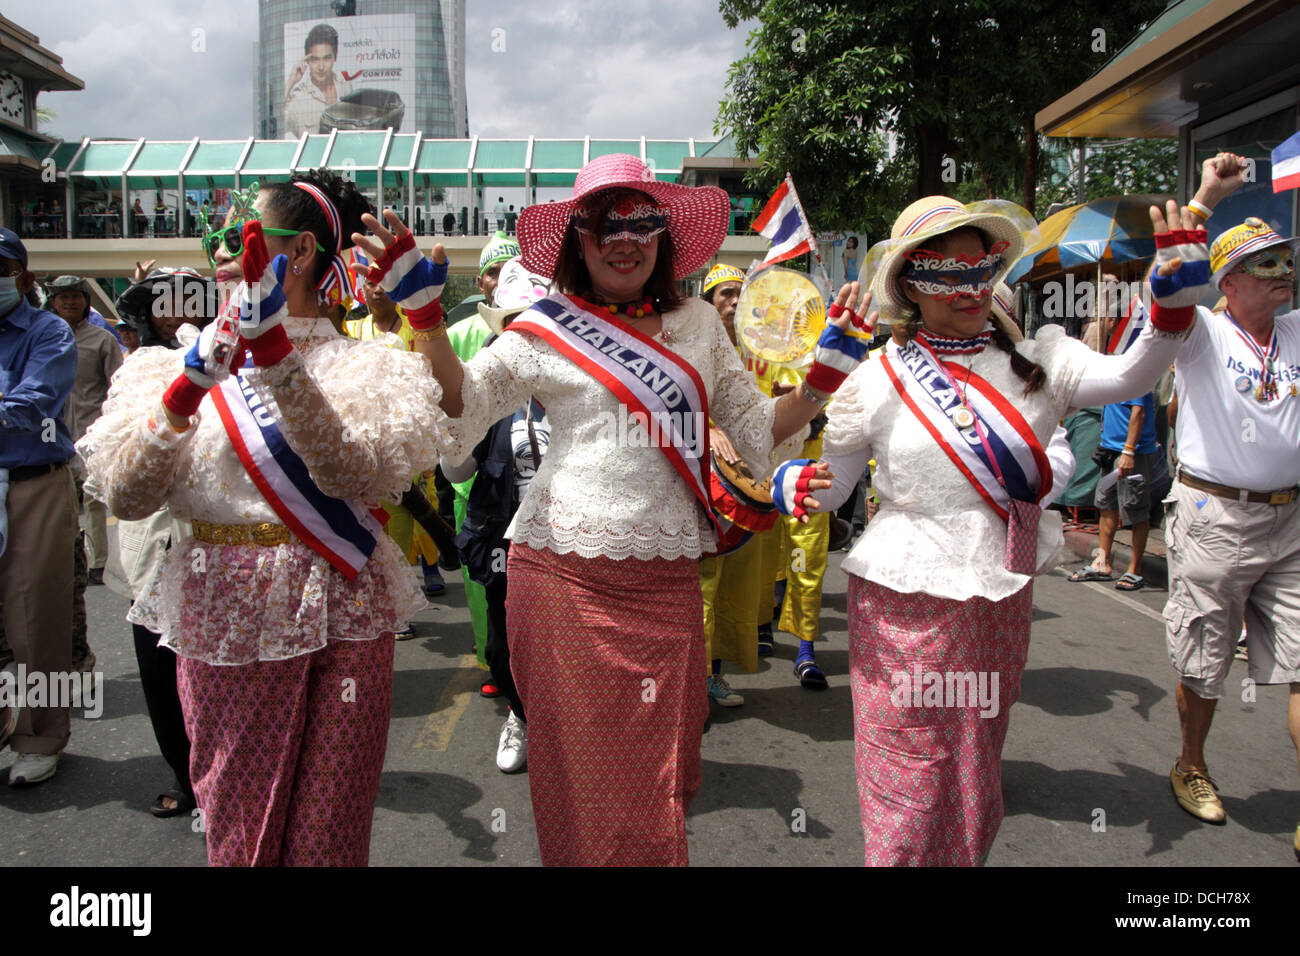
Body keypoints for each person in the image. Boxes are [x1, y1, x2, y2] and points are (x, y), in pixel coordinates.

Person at [356, 153, 861, 865]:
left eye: (642, 223)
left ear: (663, 236)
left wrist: (819, 382)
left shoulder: (696, 326)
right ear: (577, 238)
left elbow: (755, 427)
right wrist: (428, 320)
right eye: (603, 224)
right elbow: (464, 410)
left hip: (666, 583)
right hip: (561, 578)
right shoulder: (544, 327)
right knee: (581, 779)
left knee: (665, 778)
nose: (624, 239)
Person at [770, 192, 1202, 865]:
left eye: (982, 269)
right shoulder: (879, 376)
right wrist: (794, 484)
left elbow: (1129, 375)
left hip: (998, 598)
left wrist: (1170, 306)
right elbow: (837, 490)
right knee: (906, 776)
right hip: (899, 600)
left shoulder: (1039, 362)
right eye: (948, 272)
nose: (970, 288)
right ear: (912, 284)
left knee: (973, 766)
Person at [79, 170, 445, 865]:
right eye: (215, 236)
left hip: (345, 600)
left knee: (329, 833)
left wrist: (274, 351)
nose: (220, 252)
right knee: (242, 825)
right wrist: (189, 385)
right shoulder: (168, 363)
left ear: (299, 250)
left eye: (240, 233)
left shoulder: (363, 364)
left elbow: (350, 473)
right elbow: (125, 497)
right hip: (225, 607)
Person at [1154, 158, 1300, 857]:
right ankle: (1191, 763)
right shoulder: (1200, 335)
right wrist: (1208, 196)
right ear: (1228, 282)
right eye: (1263, 264)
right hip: (1214, 521)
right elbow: (1172, 279)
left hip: (1292, 523)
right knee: (1205, 663)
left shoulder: (1297, 334)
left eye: (1286, 260)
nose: (1281, 271)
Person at [98, 269, 219, 818]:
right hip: (151, 540)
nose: (177, 314)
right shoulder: (137, 370)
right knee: (157, 664)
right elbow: (118, 467)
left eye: (190, 301)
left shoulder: (241, 362)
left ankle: (222, 777)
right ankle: (182, 770)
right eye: (164, 304)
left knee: (217, 671)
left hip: (219, 544)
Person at [441, 256, 553, 772]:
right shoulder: (486, 390)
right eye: (514, 323)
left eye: (535, 321)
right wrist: (451, 432)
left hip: (570, 544)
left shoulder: (580, 389)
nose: (525, 335)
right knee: (505, 644)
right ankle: (520, 715)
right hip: (506, 544)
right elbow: (460, 473)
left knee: (569, 645)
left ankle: (565, 729)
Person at [0, 229, 80, 786]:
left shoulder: (49, 331)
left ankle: (40, 735)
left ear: (22, 278)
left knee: (35, 618)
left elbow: (30, 405)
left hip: (32, 482)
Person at [443, 230, 521, 692]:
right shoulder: (456, 336)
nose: (498, 278)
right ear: (481, 279)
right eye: (492, 270)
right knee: (486, 578)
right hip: (476, 480)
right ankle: (492, 661)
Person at [45, 275, 122, 691]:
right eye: (63, 297)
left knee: (93, 503)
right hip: (51, 440)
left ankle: (95, 564)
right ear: (53, 301)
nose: (69, 303)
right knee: (60, 509)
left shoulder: (101, 340)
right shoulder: (42, 338)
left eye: (75, 297)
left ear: (84, 301)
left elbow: (117, 386)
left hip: (91, 435)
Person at [283, 24, 352, 137]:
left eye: (326, 58)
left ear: (335, 56)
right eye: (315, 59)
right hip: (316, 155)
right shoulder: (299, 99)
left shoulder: (346, 88)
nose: (321, 67)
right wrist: (291, 82)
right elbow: (276, 126)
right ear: (307, 61)